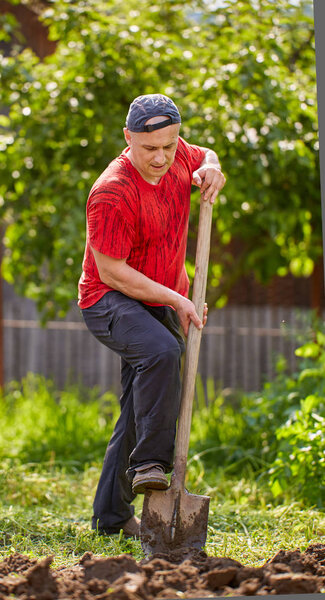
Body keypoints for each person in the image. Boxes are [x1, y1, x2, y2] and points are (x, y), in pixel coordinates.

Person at [78, 94, 226, 538]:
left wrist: (212, 167)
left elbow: (204, 154)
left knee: (138, 410)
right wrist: (178, 300)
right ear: (128, 138)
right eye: (149, 148)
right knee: (163, 351)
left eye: (169, 144)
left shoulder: (178, 153)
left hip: (158, 297)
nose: (162, 157)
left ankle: (112, 516)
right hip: (108, 300)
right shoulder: (111, 191)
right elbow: (111, 271)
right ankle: (150, 464)